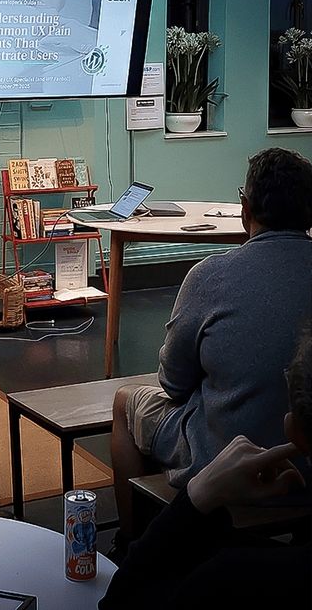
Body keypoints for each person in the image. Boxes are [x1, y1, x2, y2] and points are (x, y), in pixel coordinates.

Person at [110, 147, 312, 541]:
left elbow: (172, 383)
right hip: (305, 460)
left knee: (125, 402)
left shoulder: (210, 276)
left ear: (245, 207)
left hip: (231, 463)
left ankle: (133, 543)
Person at [99, 328, 312, 608]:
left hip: (212, 461)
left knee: (125, 399)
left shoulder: (227, 579)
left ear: (293, 429)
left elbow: (172, 381)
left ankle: (127, 541)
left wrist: (197, 496)